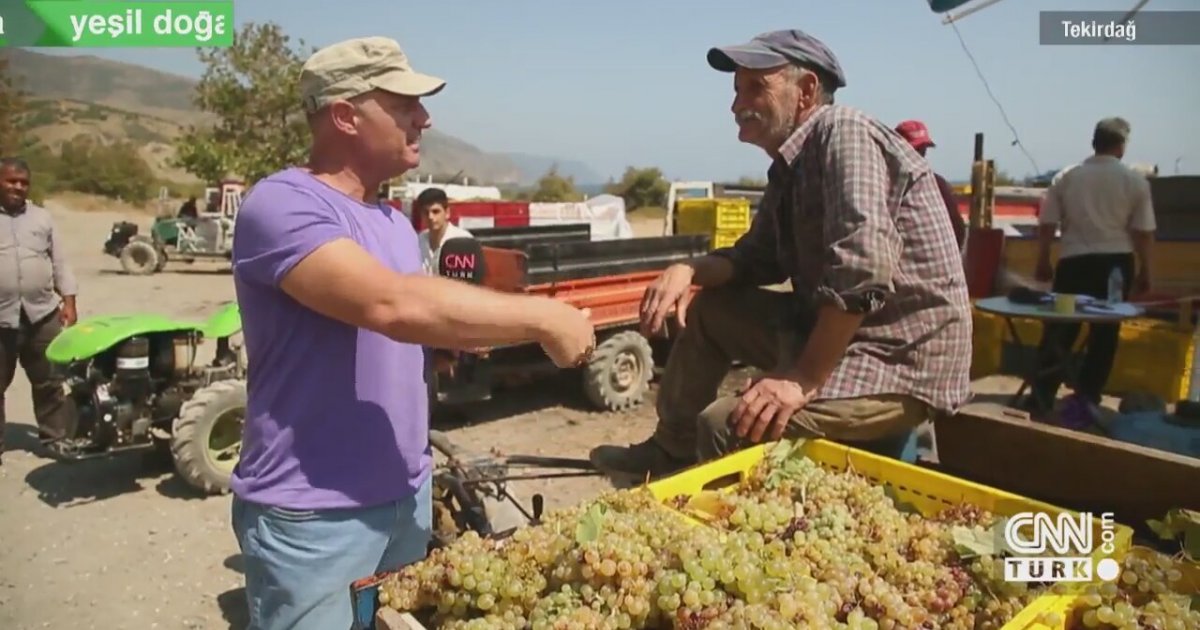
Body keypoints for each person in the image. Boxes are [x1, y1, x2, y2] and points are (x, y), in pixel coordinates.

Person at [228, 36, 595, 630]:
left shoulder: (392, 221)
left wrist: (455, 332)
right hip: (315, 515)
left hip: (405, 496)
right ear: (345, 115)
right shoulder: (281, 205)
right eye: (403, 104)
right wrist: (543, 317)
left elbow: (409, 317)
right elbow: (389, 303)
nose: (423, 117)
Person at [589, 29, 972, 479]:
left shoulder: (844, 132)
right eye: (736, 91)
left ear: (806, 91)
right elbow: (755, 259)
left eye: (755, 88)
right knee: (710, 310)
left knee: (725, 424)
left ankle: (726, 537)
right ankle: (669, 452)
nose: (736, 106)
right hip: (836, 335)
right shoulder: (790, 167)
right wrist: (686, 269)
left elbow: (862, 271)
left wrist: (801, 379)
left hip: (898, 358)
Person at [1028, 117, 1155, 415]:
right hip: (1115, 266)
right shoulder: (1135, 181)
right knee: (1104, 337)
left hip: (1072, 263)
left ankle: (1041, 394)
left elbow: (1047, 224)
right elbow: (1143, 233)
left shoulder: (1067, 177)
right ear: (1121, 146)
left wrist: (1043, 259)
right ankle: (1086, 398)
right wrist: (1147, 270)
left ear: (1094, 143)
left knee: (1060, 331)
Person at [0, 158, 78, 466]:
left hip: (41, 314)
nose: (18, 187)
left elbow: (59, 262)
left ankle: (55, 438)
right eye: (11, 181)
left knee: (49, 381)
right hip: (1, 317)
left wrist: (69, 302)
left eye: (23, 182)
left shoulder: (42, 218)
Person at [894, 120, 967, 251]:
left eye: (922, 150)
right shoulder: (889, 184)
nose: (919, 155)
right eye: (915, 150)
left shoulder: (938, 184)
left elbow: (957, 229)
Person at [414, 187, 473, 274]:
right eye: (426, 212)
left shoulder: (463, 241)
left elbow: (468, 281)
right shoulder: (418, 241)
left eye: (436, 211)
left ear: (447, 213)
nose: (430, 217)